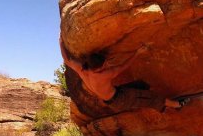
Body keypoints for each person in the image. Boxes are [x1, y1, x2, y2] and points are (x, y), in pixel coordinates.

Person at [60, 38, 188, 111]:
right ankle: (176, 105)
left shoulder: (81, 70)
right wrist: (137, 53)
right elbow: (124, 66)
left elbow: (67, 60)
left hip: (114, 97)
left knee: (140, 85)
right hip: (121, 100)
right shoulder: (104, 74)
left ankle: (158, 102)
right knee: (152, 97)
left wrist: (61, 43)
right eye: (105, 64)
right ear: (101, 66)